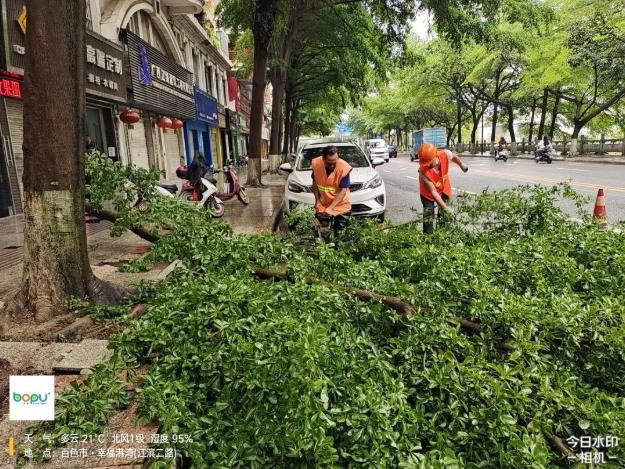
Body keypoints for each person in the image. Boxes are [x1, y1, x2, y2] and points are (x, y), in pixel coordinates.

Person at [418, 143, 468, 234]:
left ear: (435, 156)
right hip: (427, 194)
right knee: (428, 215)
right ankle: (427, 238)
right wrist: (445, 207)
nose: (427, 165)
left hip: (444, 188)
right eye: (426, 163)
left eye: (429, 162)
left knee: (443, 216)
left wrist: (461, 165)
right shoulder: (423, 172)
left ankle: (441, 235)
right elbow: (433, 192)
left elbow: (454, 157)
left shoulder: (445, 154)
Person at [311, 145, 352, 233]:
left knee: (340, 233)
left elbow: (343, 191)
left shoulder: (343, 168)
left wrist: (330, 208)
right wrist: (317, 201)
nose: (332, 166)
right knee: (319, 233)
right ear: (323, 158)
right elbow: (315, 183)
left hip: (341, 205)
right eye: (329, 163)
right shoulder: (317, 164)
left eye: (335, 162)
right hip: (324, 204)